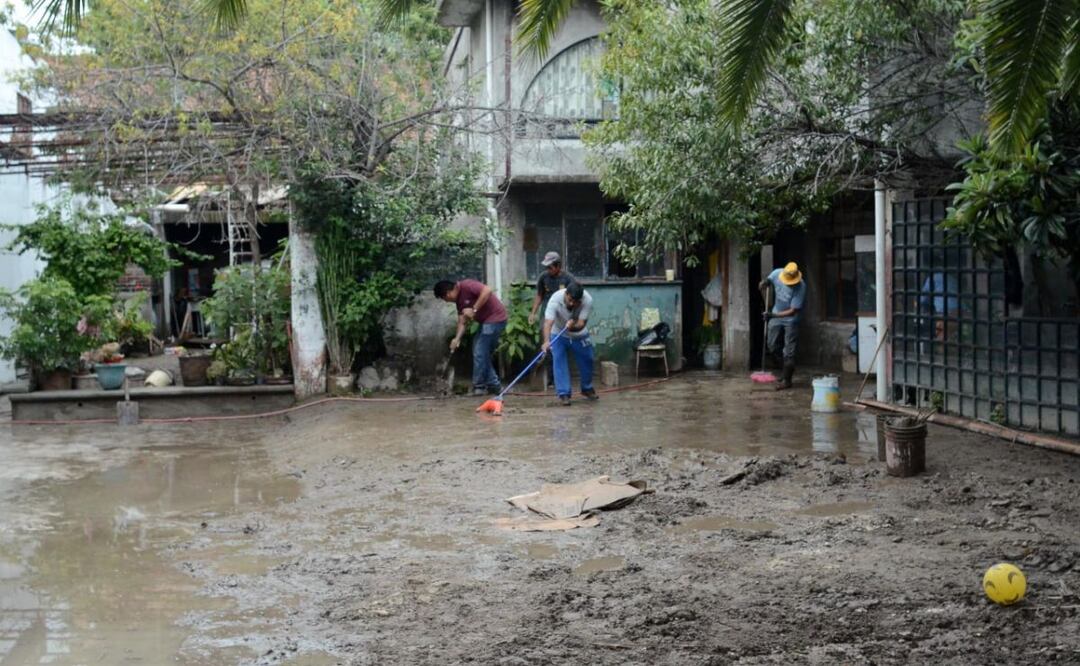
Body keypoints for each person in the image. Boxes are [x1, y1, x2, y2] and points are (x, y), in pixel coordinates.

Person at [434, 278, 508, 396]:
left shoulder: (467, 285)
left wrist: (474, 309)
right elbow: (462, 322)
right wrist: (457, 339)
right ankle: (495, 386)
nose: (446, 301)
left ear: (447, 293)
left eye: (444, 299)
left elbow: (487, 290)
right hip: (485, 322)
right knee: (480, 352)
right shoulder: (459, 302)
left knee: (480, 353)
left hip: (496, 318)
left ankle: (479, 387)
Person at [541, 281, 598, 406]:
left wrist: (572, 327)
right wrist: (546, 341)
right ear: (566, 294)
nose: (572, 304)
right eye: (570, 299)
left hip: (579, 333)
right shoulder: (555, 300)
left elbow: (582, 324)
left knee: (588, 359)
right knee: (559, 360)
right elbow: (548, 323)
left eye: (576, 302)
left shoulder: (587, 300)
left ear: (581, 300)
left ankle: (587, 388)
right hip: (558, 333)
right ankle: (564, 394)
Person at [759, 261, 806, 391]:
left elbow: (793, 310)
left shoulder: (801, 286)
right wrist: (764, 283)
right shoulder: (777, 273)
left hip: (791, 319)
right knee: (772, 346)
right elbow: (767, 281)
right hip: (775, 312)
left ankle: (787, 380)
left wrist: (773, 316)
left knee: (789, 352)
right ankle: (785, 369)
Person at [529, 251, 574, 384]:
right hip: (547, 316)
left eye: (550, 267)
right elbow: (539, 295)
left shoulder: (568, 279)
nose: (548, 270)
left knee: (561, 344)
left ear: (558, 266)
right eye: (546, 267)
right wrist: (533, 312)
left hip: (563, 316)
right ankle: (550, 378)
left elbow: (574, 299)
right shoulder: (543, 277)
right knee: (547, 344)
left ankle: (562, 376)